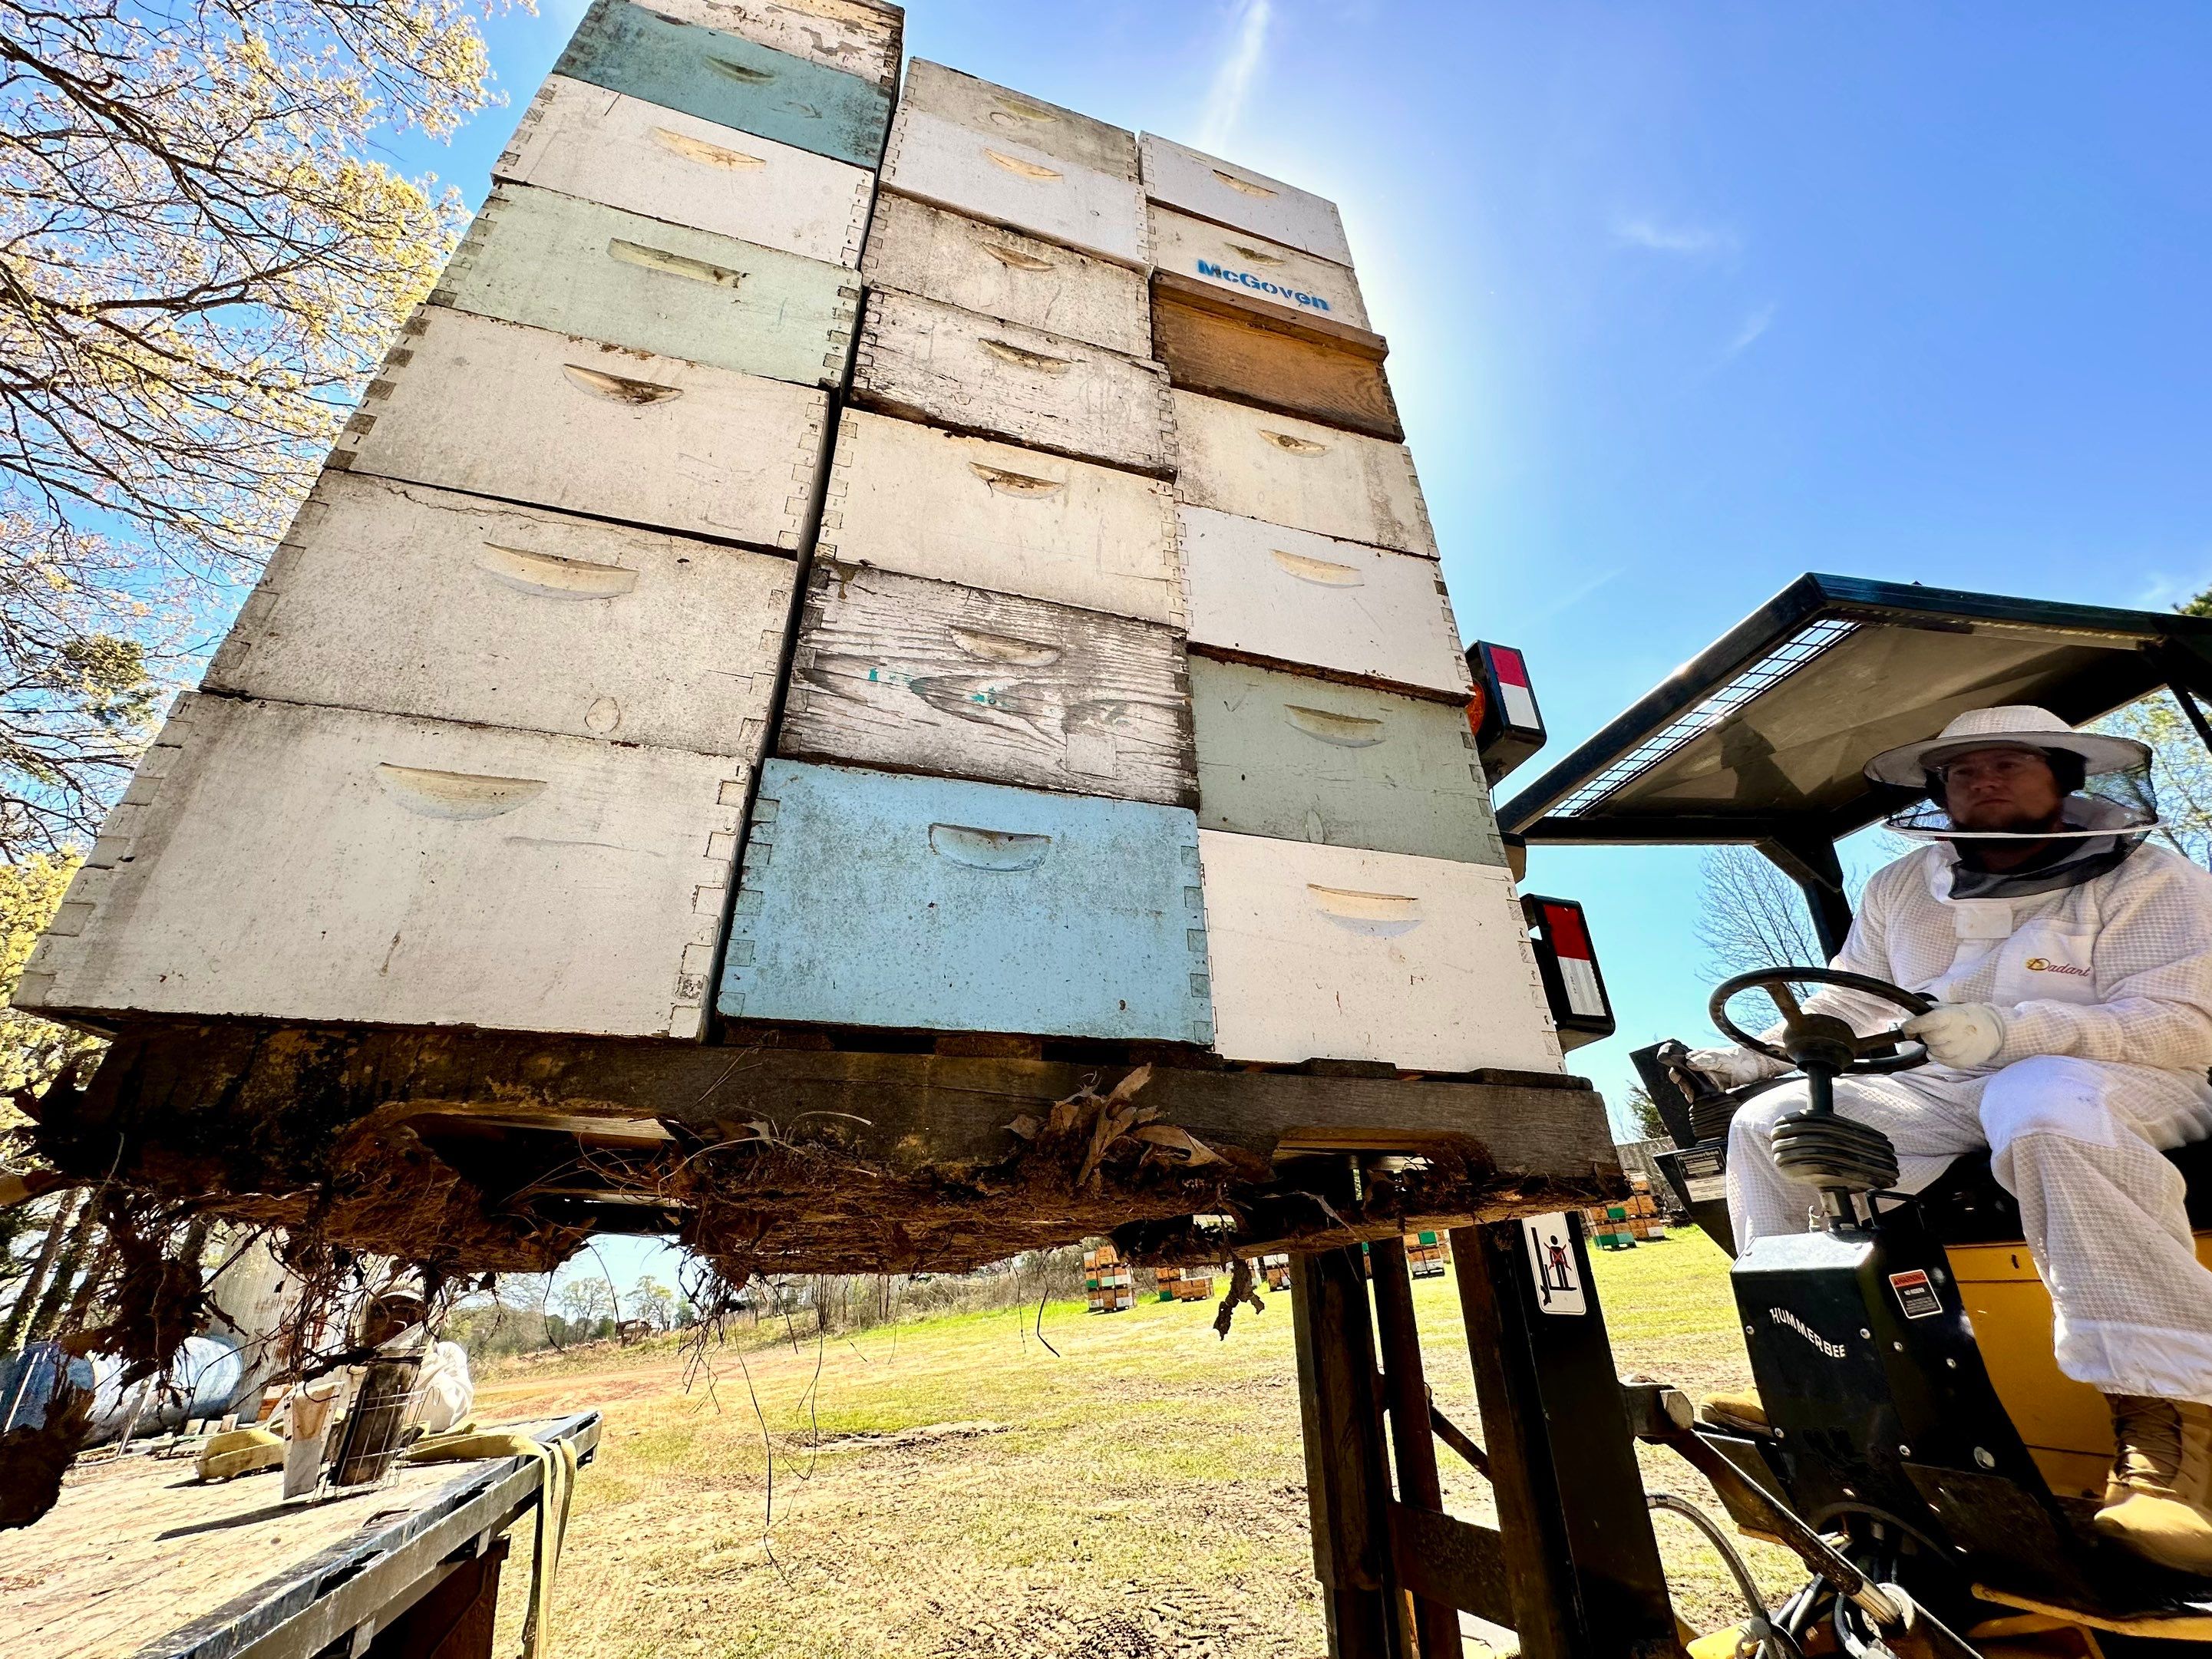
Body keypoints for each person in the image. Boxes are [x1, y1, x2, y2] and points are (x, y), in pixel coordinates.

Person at [1687, 705, 2212, 1574]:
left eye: (2009, 761)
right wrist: (1774, 1051)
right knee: (1770, 1122)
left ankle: (2170, 1430)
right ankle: (1808, 1378)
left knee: (2039, 1103)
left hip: (2123, 1080)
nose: (1983, 778)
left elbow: (2180, 1029)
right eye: (1962, 769)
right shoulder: (1902, 886)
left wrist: (2014, 1030)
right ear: (1936, 791)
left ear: (2063, 777)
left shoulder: (2154, 879)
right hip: (1950, 1085)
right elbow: (1855, 1003)